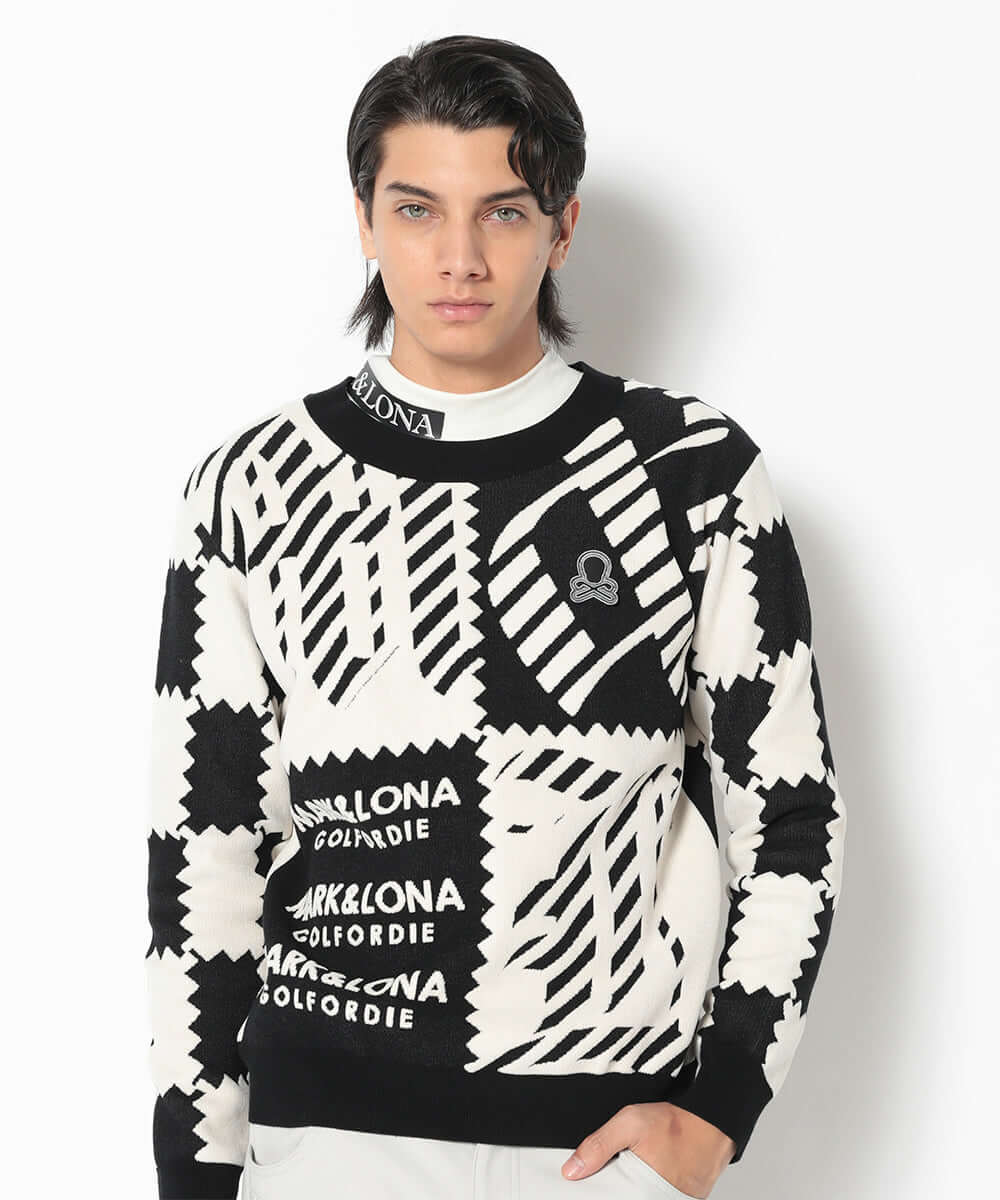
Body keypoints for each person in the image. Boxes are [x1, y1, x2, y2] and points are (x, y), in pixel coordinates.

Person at [145, 33, 846, 1200]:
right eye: (417, 210)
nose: (458, 257)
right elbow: (204, 851)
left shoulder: (690, 471)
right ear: (365, 220)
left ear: (562, 227)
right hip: (330, 1149)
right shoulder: (250, 486)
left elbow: (789, 817)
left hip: (602, 1150)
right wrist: (195, 1176)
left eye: (504, 213)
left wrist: (718, 1109)